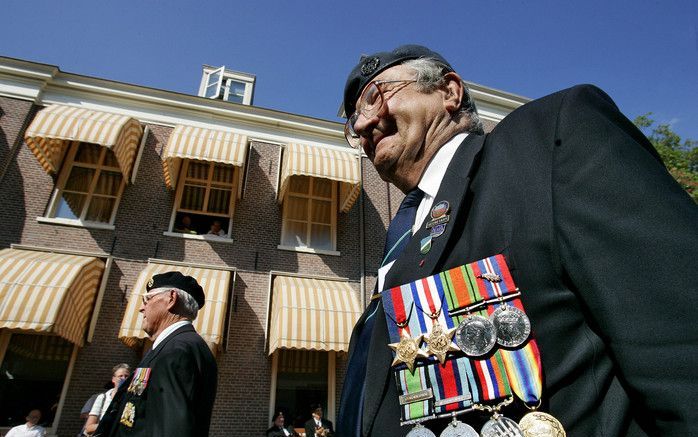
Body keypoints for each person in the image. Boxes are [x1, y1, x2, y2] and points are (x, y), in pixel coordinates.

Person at [337, 44, 698, 437]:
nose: (361, 125)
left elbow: (681, 358)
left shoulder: (549, 140)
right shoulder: (397, 243)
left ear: (449, 92)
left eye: (377, 96)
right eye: (354, 118)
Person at [94, 271, 218, 437]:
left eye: (147, 299)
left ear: (171, 299)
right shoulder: (172, 347)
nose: (141, 307)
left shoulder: (177, 351)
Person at [82, 364, 130, 436]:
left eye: (126, 376)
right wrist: (110, 424)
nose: (124, 379)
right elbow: (88, 428)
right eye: (120, 376)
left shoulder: (132, 399)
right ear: (113, 379)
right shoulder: (103, 398)